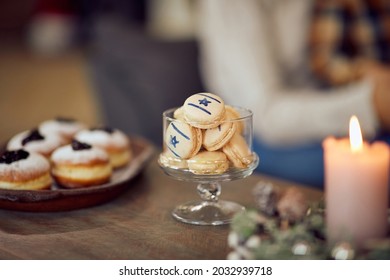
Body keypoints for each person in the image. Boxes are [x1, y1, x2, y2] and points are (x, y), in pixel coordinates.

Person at [196, 0, 390, 188]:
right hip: (257, 137)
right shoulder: (231, 6)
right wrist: (370, 104)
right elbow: (265, 115)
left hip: (328, 116)